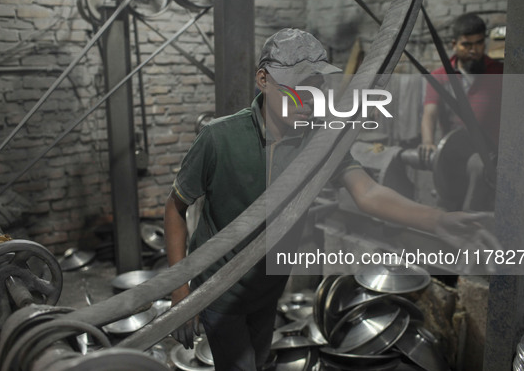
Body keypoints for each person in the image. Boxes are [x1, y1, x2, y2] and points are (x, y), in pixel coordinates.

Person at [165, 28, 497, 370]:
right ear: (263, 80)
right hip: (221, 291)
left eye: (316, 88)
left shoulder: (320, 142)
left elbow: (368, 192)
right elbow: (176, 208)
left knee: (261, 359)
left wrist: (438, 220)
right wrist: (180, 293)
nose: (307, 100)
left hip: (267, 288)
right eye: (295, 89)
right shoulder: (219, 138)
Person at [418, 13, 504, 211]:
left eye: (479, 43)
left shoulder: (499, 73)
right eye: (467, 45)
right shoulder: (439, 77)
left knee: (485, 214)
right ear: (454, 44)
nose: (474, 50)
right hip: (454, 159)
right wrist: (428, 141)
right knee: (450, 210)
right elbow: (429, 113)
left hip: (491, 160)